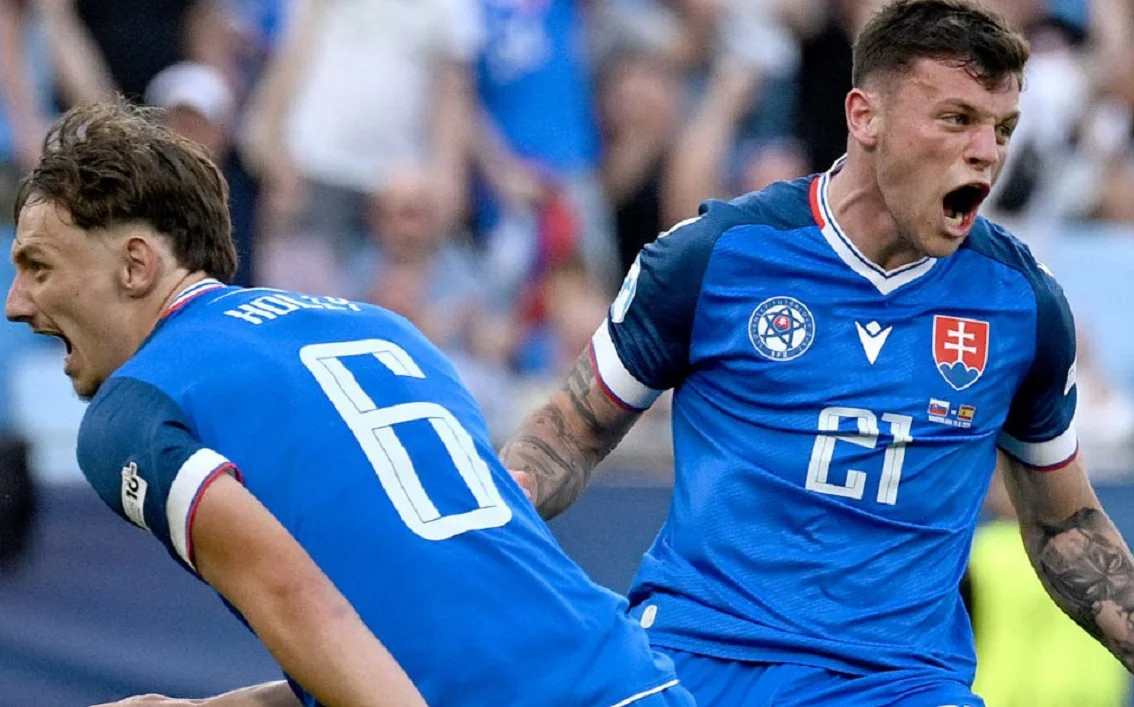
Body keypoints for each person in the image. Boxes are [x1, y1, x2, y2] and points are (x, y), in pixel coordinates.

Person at [500, 1, 1134, 705]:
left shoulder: (1022, 305)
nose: (987, 151)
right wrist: (500, 509)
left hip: (898, 682)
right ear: (865, 118)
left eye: (1002, 128)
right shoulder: (716, 257)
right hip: (702, 658)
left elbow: (1065, 525)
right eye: (956, 118)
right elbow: (568, 433)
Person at [5, 101, 693, 707]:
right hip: (633, 677)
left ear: (135, 265)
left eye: (38, 266)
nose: (16, 303)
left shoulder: (133, 406)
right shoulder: (384, 328)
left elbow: (294, 598)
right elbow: (425, 627)